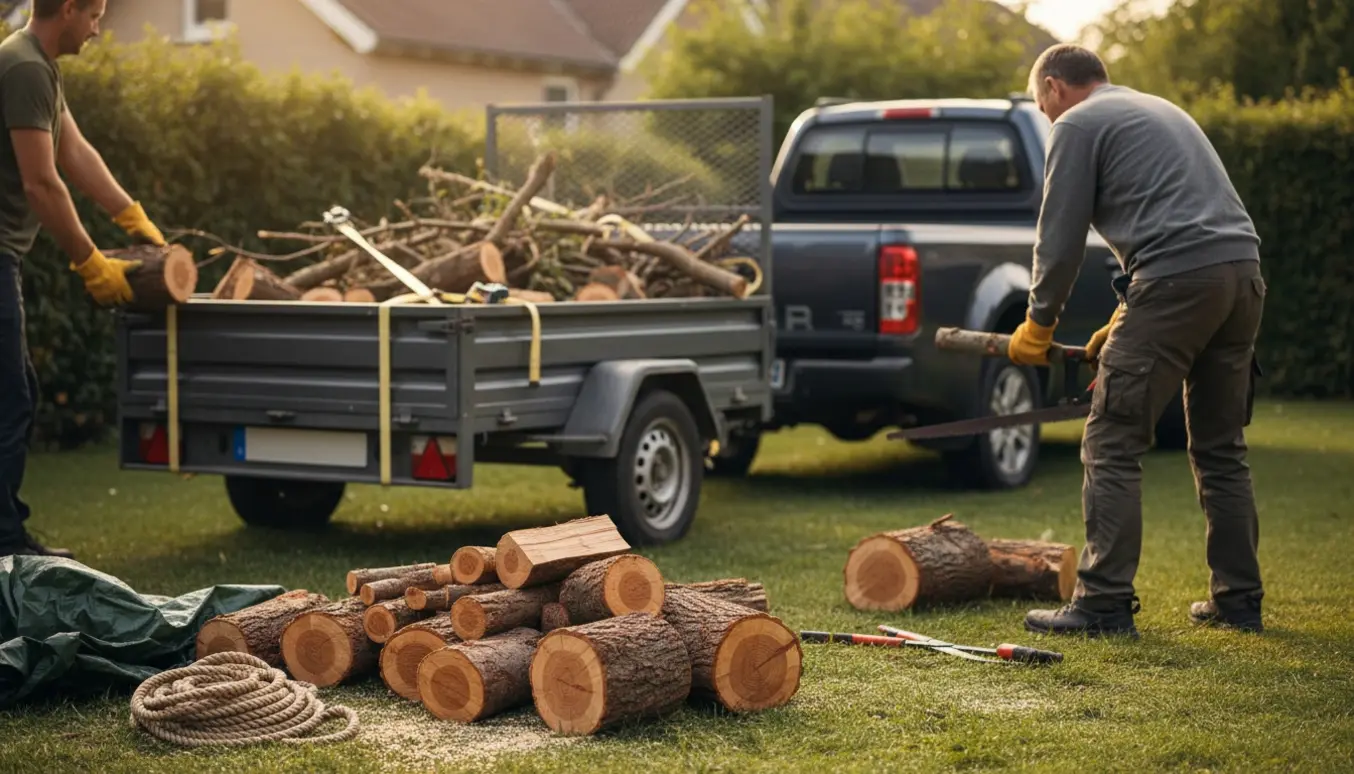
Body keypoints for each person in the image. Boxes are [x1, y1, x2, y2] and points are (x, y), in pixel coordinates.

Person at [1007, 44, 1267, 636]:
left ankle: (1100, 603)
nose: (1047, 117)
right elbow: (1182, 221)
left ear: (1053, 87)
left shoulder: (1075, 123)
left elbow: (1060, 239)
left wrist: (1038, 323)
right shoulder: (1157, 109)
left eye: (1041, 106)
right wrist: (1125, 318)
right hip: (1242, 275)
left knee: (1112, 439)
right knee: (1222, 446)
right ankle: (1239, 600)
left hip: (1177, 280)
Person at [1, 0, 166, 559]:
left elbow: (75, 151)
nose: (98, 28)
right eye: (94, 14)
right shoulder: (22, 67)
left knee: (16, 393)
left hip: (6, 256)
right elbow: (41, 182)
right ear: (67, 9)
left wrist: (131, 215)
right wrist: (89, 262)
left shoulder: (40, 67)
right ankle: (4, 541)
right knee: (11, 397)